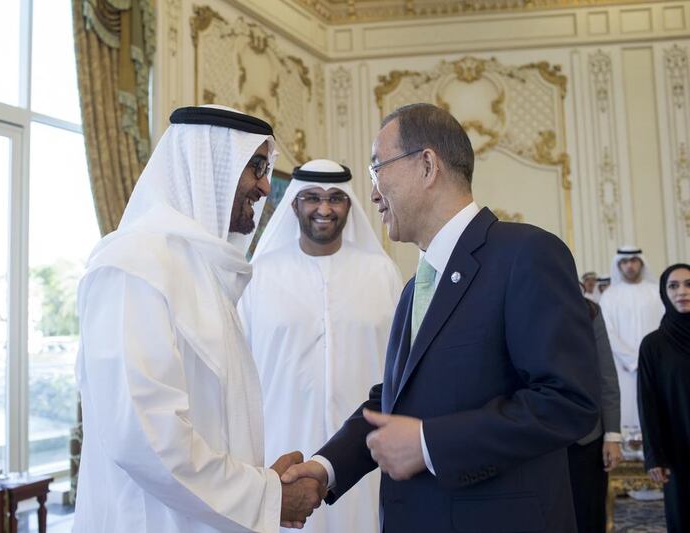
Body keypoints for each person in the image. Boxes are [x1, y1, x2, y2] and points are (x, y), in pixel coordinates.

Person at [281, 102, 599, 532]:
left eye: (377, 170)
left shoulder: (526, 254)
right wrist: (326, 467)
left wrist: (430, 444)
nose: (372, 193)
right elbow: (394, 400)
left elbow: (567, 403)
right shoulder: (417, 285)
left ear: (427, 165)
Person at [73, 106, 324, 533]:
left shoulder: (203, 271)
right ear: (208, 166)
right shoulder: (133, 266)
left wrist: (260, 482)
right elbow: (146, 439)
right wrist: (265, 495)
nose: (265, 186)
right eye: (256, 167)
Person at [239, 159, 403, 533]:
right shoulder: (259, 275)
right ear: (294, 203)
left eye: (335, 198)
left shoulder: (381, 274)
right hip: (281, 452)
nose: (324, 208)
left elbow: (403, 368)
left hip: (364, 454)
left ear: (350, 206)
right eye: (312, 197)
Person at [638, 263, 690, 532]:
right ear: (664, 292)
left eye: (688, 284)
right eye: (673, 285)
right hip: (677, 451)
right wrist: (654, 455)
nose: (682, 291)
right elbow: (648, 403)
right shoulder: (654, 345)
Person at [567, 290, 623, 533]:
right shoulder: (521, 301)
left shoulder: (589, 310)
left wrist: (612, 435)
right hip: (540, 437)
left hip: (587, 434)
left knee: (588, 514)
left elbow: (606, 375)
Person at [599, 246, 663, 436]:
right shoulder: (609, 296)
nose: (629, 266)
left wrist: (648, 358)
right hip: (622, 367)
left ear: (641, 263)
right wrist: (632, 360)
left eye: (634, 261)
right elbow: (607, 332)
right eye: (625, 262)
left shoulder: (656, 292)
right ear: (618, 265)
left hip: (655, 364)